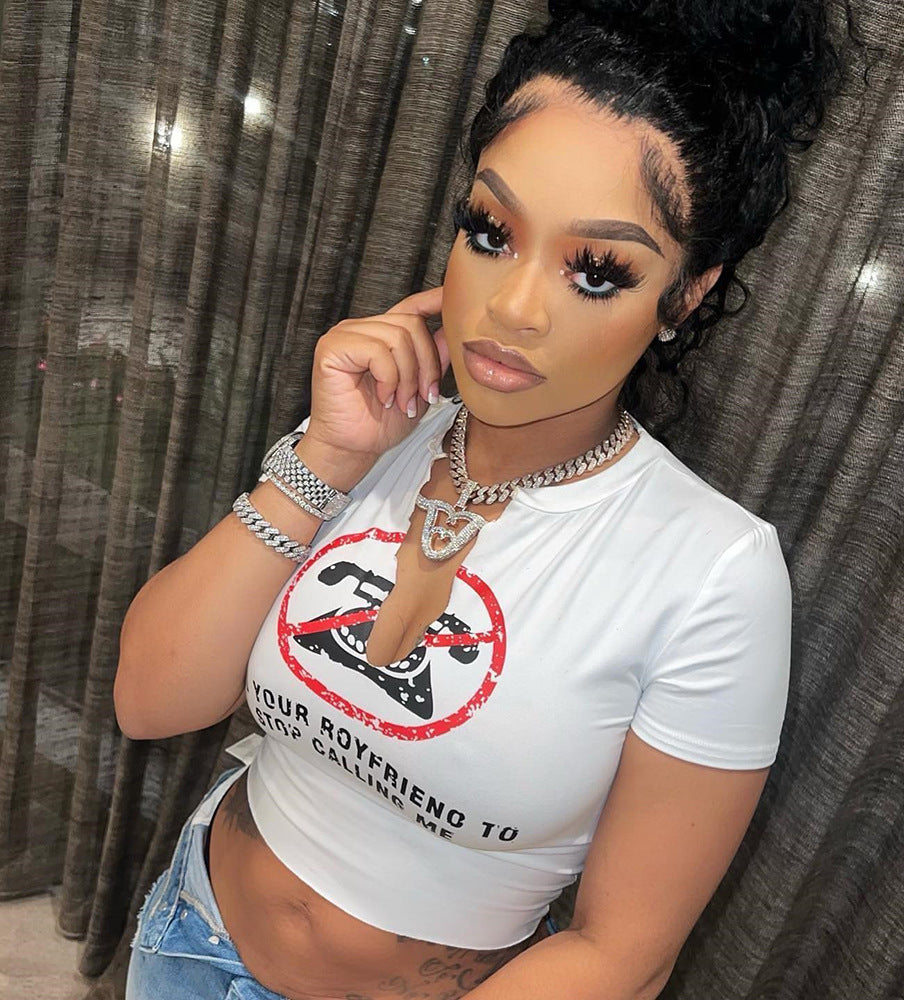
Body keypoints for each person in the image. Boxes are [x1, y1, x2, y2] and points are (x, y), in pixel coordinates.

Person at [116, 1, 850, 997]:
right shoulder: (377, 424)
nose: (511, 306)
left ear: (684, 294)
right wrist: (325, 457)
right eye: (491, 232)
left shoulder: (714, 572)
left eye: (597, 270)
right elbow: (150, 699)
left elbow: (621, 954)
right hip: (188, 936)